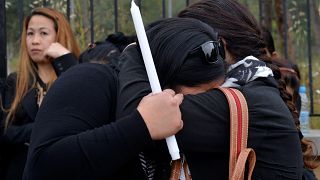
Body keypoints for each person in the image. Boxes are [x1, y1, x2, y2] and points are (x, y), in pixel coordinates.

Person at [116, 1, 304, 179]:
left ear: (218, 46)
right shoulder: (254, 88)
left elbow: (139, 121)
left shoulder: (245, 101)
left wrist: (141, 47)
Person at [0, 7, 80, 180]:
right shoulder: (15, 82)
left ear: (60, 36)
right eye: (30, 34)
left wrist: (65, 59)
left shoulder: (75, 74)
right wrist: (43, 129)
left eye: (43, 33)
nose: (35, 41)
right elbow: (6, 131)